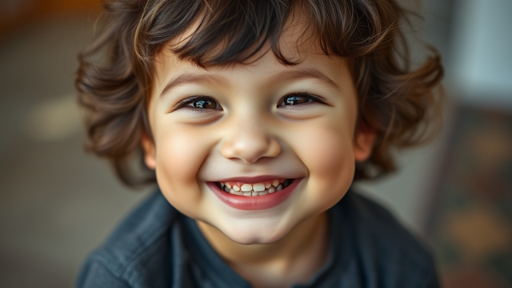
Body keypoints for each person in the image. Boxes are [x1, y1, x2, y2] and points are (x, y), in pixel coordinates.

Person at [75, 0, 444, 287]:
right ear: (149, 140)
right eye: (201, 103)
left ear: (363, 128)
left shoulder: (401, 268)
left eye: (297, 99)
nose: (249, 145)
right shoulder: (124, 279)